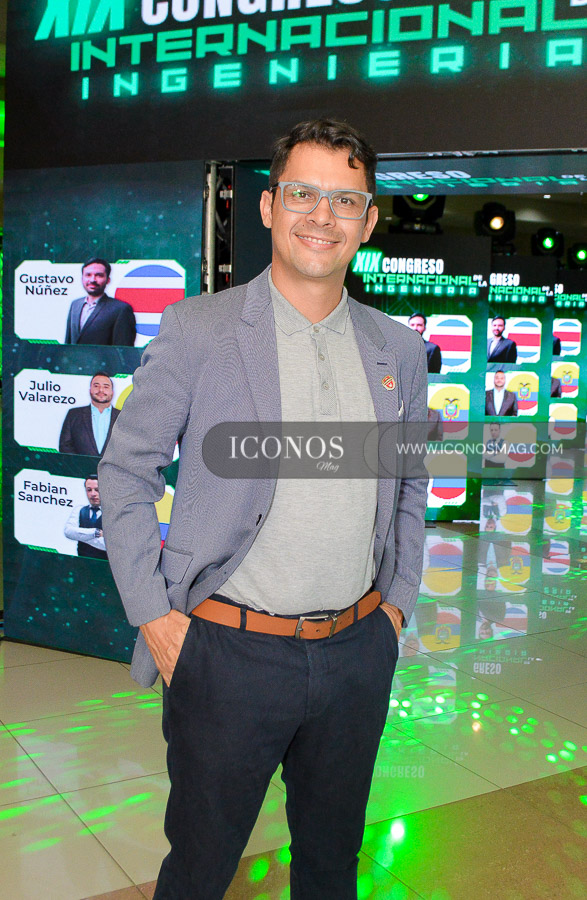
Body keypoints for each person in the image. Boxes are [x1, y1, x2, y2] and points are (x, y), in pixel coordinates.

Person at [99, 118, 428, 900]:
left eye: (345, 200)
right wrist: (154, 616)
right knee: (200, 869)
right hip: (227, 653)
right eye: (302, 193)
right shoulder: (199, 330)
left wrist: (395, 609)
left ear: (368, 222)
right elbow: (125, 470)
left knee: (329, 865)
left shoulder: (397, 349)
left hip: (355, 651)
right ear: (268, 205)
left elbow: (410, 483)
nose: (323, 216)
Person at [65, 257, 136, 346]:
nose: (92, 280)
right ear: (82, 278)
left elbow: (123, 348)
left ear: (108, 280)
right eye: (88, 275)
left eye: (99, 275)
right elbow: (68, 343)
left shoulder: (121, 309)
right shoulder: (75, 305)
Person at [59, 371, 120, 457]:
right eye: (96, 386)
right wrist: (83, 464)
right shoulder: (73, 415)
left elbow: (129, 448)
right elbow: (65, 446)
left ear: (112, 392)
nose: (101, 390)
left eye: (106, 387)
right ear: (90, 390)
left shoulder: (123, 417)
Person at [64, 474, 108, 560]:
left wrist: (79, 536)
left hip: (105, 565)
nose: (93, 494)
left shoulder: (114, 513)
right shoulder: (79, 510)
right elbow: (68, 531)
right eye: (89, 490)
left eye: (97, 490)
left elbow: (110, 545)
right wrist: (96, 533)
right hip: (82, 563)